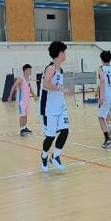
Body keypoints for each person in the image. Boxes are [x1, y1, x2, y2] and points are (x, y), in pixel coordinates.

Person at [39, 41, 71, 173]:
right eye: (65, 52)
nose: (66, 54)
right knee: (50, 136)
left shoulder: (60, 69)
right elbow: (45, 84)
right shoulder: (51, 68)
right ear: (60, 53)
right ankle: (44, 156)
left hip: (60, 107)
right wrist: (61, 90)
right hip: (49, 108)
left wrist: (62, 93)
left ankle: (55, 156)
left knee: (65, 131)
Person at [8, 64, 38, 136]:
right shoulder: (20, 79)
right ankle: (21, 129)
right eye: (29, 70)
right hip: (21, 101)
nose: (30, 71)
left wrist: (34, 95)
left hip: (26, 100)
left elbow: (29, 88)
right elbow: (13, 86)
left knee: (25, 114)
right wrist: (10, 96)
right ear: (25, 70)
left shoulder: (28, 79)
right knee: (22, 115)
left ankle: (24, 127)